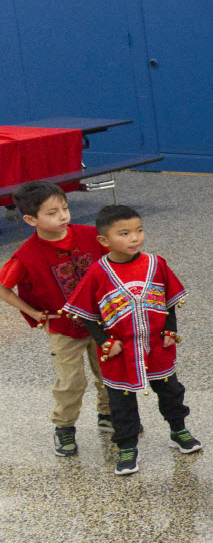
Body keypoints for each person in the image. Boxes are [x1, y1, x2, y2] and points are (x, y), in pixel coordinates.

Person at [60, 204, 199, 475]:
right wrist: (104, 341)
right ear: (104, 240)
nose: (134, 238)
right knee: (121, 402)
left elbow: (169, 302)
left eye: (139, 230)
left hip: (157, 346)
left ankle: (178, 430)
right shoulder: (98, 272)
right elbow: (86, 313)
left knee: (171, 391)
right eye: (124, 233)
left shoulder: (156, 264)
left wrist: (170, 330)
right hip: (119, 352)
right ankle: (127, 446)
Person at [0, 181, 112, 456]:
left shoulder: (90, 235)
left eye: (65, 208)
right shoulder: (26, 255)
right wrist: (32, 312)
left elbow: (115, 263)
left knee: (108, 372)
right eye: (52, 213)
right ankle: (64, 427)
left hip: (101, 322)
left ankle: (109, 415)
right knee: (71, 382)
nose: (63, 216)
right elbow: (3, 286)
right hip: (64, 329)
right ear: (30, 220)